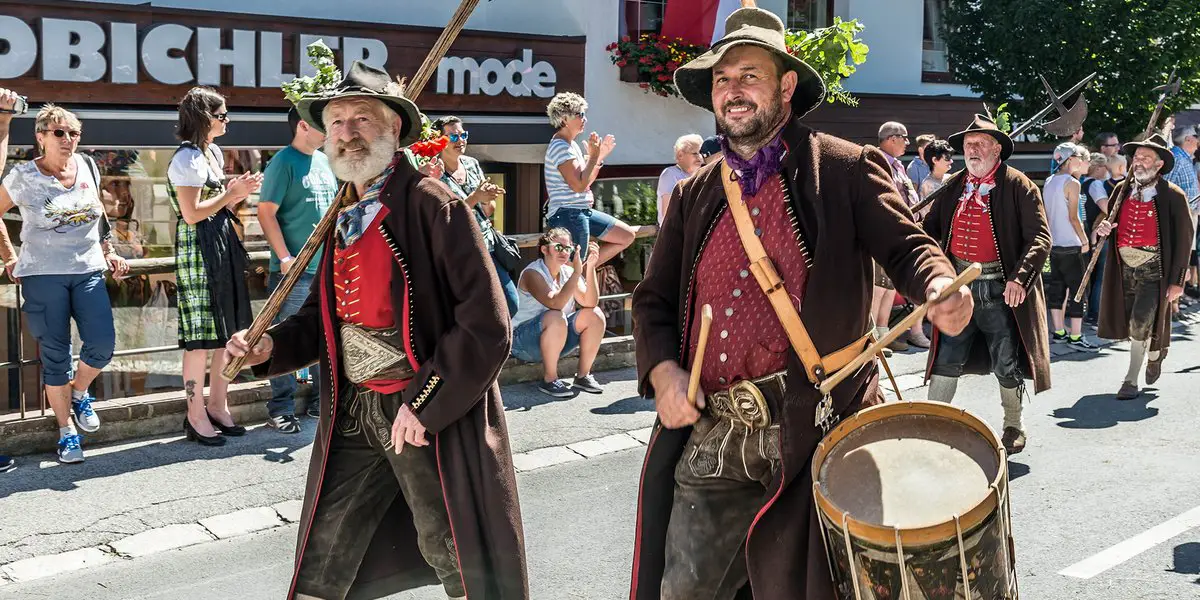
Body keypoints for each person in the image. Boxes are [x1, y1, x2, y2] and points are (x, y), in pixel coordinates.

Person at [629, 6, 972, 598]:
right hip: (716, 432)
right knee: (683, 590)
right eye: (722, 79)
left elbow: (908, 246)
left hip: (815, 424)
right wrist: (662, 372)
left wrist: (938, 286)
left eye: (749, 76)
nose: (732, 91)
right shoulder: (692, 194)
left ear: (786, 84)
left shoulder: (844, 167)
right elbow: (653, 301)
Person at [225, 61, 526, 600]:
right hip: (354, 409)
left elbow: (487, 323)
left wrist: (425, 403)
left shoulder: (432, 203)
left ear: (394, 129)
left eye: (362, 118)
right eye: (337, 121)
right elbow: (326, 322)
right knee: (325, 551)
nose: (347, 131)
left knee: (458, 553)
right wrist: (270, 347)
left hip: (419, 408)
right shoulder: (344, 210)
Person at [0, 96, 128, 464]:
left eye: (74, 132)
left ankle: (79, 391)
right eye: (60, 132)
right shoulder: (23, 176)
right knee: (55, 357)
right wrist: (10, 256)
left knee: (102, 343)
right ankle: (66, 432)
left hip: (87, 270)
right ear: (41, 136)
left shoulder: (87, 165)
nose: (68, 138)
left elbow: (99, 215)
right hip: (42, 274)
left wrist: (109, 250)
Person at [922, 113, 1053, 456]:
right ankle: (934, 423)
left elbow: (1040, 237)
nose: (972, 150)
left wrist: (1020, 278)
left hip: (999, 288)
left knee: (1005, 360)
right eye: (968, 145)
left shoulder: (1018, 185)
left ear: (997, 149)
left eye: (980, 143)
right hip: (958, 289)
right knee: (946, 357)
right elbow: (932, 230)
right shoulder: (953, 184)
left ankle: (1014, 424)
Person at [168, 86, 261, 447]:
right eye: (222, 115)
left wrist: (238, 194)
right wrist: (231, 195)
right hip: (197, 249)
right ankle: (194, 414)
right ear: (206, 118)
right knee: (199, 338)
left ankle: (218, 405)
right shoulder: (186, 159)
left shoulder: (212, 152)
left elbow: (217, 206)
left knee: (227, 330)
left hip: (220, 242)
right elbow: (191, 215)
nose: (227, 120)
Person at [257, 107, 338, 433]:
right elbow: (265, 212)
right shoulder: (282, 162)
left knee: (325, 337)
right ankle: (280, 408)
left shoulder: (324, 161)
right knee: (284, 338)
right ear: (303, 125)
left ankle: (320, 403)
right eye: (323, 125)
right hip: (294, 272)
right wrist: (285, 257)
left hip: (325, 268)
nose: (330, 132)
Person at [1095, 134, 1193, 399]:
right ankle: (1154, 351)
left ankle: (1130, 380)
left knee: (1140, 321)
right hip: (1123, 268)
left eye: (1146, 158)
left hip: (1154, 270)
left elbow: (1185, 240)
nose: (1139, 162)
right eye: (1137, 157)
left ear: (1159, 164)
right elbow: (1108, 224)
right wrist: (1104, 228)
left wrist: (1178, 281)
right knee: (1131, 322)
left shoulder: (1172, 195)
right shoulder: (1121, 190)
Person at [433, 115, 517, 316]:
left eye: (464, 135)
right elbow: (444, 217)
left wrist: (487, 198)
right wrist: (474, 197)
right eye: (453, 137)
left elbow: (488, 210)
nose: (461, 141)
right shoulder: (433, 172)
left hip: (486, 245)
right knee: (471, 310)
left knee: (510, 303)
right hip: (459, 252)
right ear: (439, 140)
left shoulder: (471, 164)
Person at [543, 92, 637, 264]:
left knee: (626, 235)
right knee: (573, 268)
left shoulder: (570, 145)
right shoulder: (560, 147)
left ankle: (586, 271)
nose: (584, 119)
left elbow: (585, 184)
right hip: (568, 213)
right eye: (580, 114)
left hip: (579, 211)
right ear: (564, 119)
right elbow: (578, 186)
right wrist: (593, 157)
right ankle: (582, 275)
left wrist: (597, 158)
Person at [511, 229, 606, 397]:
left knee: (595, 314)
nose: (564, 252)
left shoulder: (568, 272)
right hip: (524, 343)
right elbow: (555, 303)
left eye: (568, 248)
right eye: (558, 247)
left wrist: (590, 267)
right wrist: (577, 272)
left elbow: (590, 302)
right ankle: (550, 380)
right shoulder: (532, 273)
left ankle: (583, 376)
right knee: (555, 315)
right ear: (545, 249)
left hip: (556, 340)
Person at [874, 121, 926, 349]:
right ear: (891, 138)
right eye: (904, 137)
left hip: (899, 234)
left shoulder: (897, 166)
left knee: (889, 286)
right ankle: (872, 339)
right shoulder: (878, 162)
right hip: (883, 233)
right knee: (878, 287)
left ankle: (884, 335)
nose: (907, 142)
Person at [1044, 143, 1096, 349]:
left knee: (1057, 288)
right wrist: (1084, 241)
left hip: (1055, 243)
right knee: (1078, 290)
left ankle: (1058, 331)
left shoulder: (1049, 181)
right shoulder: (1072, 183)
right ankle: (1076, 335)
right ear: (1071, 160)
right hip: (1073, 244)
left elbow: (1048, 216)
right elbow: (1074, 217)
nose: (1084, 163)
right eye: (1081, 158)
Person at [656, 133, 704, 225]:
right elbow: (668, 213)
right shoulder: (670, 174)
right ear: (680, 155)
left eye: (701, 153)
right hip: (676, 233)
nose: (700, 157)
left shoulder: (701, 175)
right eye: (695, 153)